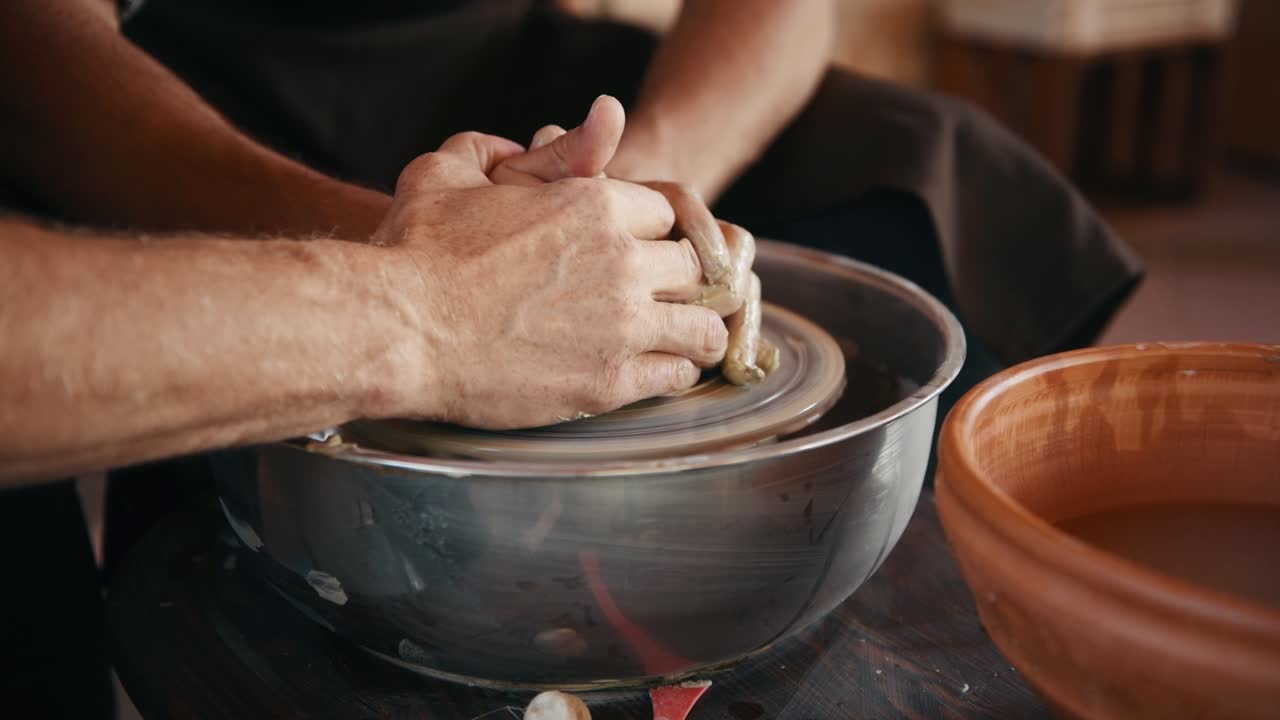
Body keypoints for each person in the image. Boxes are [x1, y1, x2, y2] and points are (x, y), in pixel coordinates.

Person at [0, 0, 1144, 715]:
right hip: (179, 89)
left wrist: (632, 210)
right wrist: (426, 280)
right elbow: (31, 51)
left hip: (511, 88)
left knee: (922, 158)